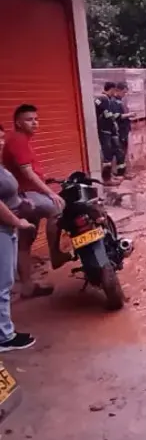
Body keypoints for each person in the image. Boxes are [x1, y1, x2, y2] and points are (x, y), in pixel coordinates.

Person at [1, 105, 70, 298]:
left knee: (25, 241)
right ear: (18, 123)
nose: (35, 123)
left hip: (24, 196)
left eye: (36, 119)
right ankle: (55, 253)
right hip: (25, 197)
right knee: (57, 207)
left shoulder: (22, 140)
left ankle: (27, 287)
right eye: (29, 119)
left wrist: (46, 179)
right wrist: (51, 193)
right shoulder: (17, 140)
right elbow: (27, 173)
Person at [0, 127, 36, 351]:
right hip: (2, 229)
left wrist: (22, 202)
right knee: (2, 284)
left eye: (1, 137)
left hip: (7, 228)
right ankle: (4, 337)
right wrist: (17, 221)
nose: (0, 142)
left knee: (6, 281)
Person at [95, 83, 121, 184]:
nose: (115, 93)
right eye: (114, 91)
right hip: (105, 130)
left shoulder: (100, 98)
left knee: (108, 154)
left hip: (104, 129)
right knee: (107, 155)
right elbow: (107, 114)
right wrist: (114, 121)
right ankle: (107, 179)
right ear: (112, 89)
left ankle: (110, 176)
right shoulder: (105, 99)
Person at [113, 82, 134, 178]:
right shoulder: (114, 102)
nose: (124, 95)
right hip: (120, 130)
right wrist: (129, 115)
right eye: (124, 92)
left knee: (123, 151)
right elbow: (116, 116)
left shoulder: (120, 101)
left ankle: (123, 172)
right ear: (118, 90)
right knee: (120, 152)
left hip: (124, 129)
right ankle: (120, 173)